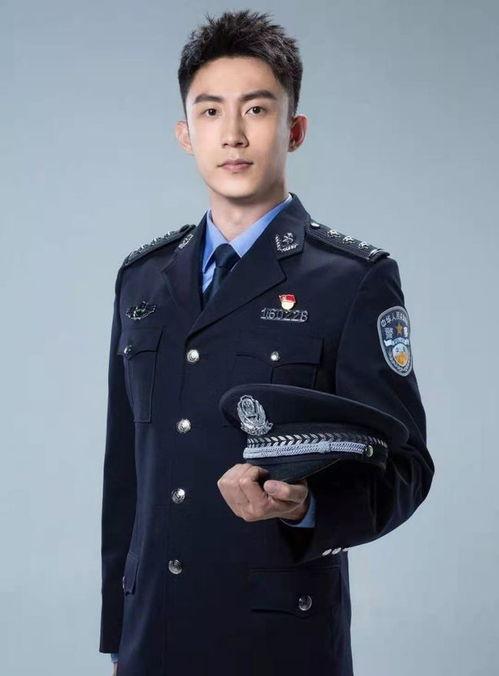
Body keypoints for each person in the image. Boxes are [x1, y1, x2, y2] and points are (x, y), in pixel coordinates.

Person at [99, 9, 434, 676]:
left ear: (294, 129)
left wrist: (308, 507)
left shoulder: (350, 280)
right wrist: (119, 632)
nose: (232, 133)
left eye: (256, 109)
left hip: (280, 641)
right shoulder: (143, 279)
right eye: (210, 112)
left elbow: (404, 467)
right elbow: (126, 475)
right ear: (185, 134)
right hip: (154, 637)